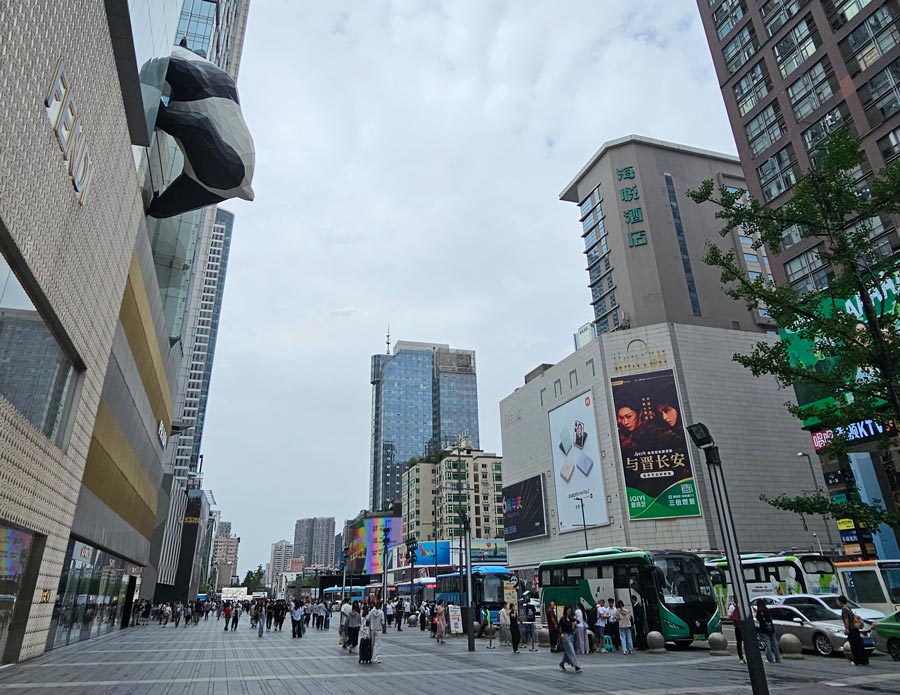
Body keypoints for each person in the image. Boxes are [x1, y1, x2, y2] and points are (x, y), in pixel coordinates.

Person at [840, 595, 869, 666]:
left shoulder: (844, 610)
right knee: (859, 644)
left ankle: (857, 660)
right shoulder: (848, 608)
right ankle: (864, 660)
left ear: (840, 602)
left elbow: (846, 619)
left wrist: (846, 629)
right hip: (855, 629)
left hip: (851, 629)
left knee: (854, 646)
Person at [755, 599, 781, 664]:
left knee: (767, 644)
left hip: (764, 629)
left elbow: (758, 619)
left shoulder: (759, 612)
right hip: (771, 628)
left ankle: (770, 659)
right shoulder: (767, 610)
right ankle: (778, 659)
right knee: (775, 644)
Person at [558, 606, 582, 673]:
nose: (569, 612)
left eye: (570, 611)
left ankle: (562, 663)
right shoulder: (562, 619)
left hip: (571, 635)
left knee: (567, 652)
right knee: (571, 651)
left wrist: (575, 623)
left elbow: (578, 621)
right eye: (568, 611)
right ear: (565, 611)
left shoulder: (570, 618)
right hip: (565, 636)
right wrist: (561, 633)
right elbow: (558, 627)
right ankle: (576, 666)